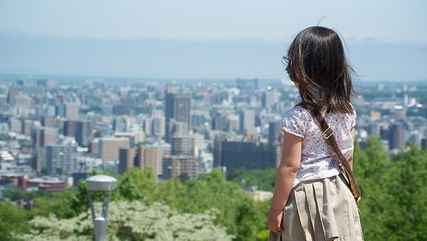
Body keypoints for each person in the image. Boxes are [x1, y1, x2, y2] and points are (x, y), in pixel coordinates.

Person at [267, 26, 364, 241]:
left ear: (302, 68)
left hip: (306, 197)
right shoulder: (347, 111)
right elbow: (347, 158)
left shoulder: (298, 116)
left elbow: (290, 167)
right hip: (339, 191)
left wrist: (275, 211)